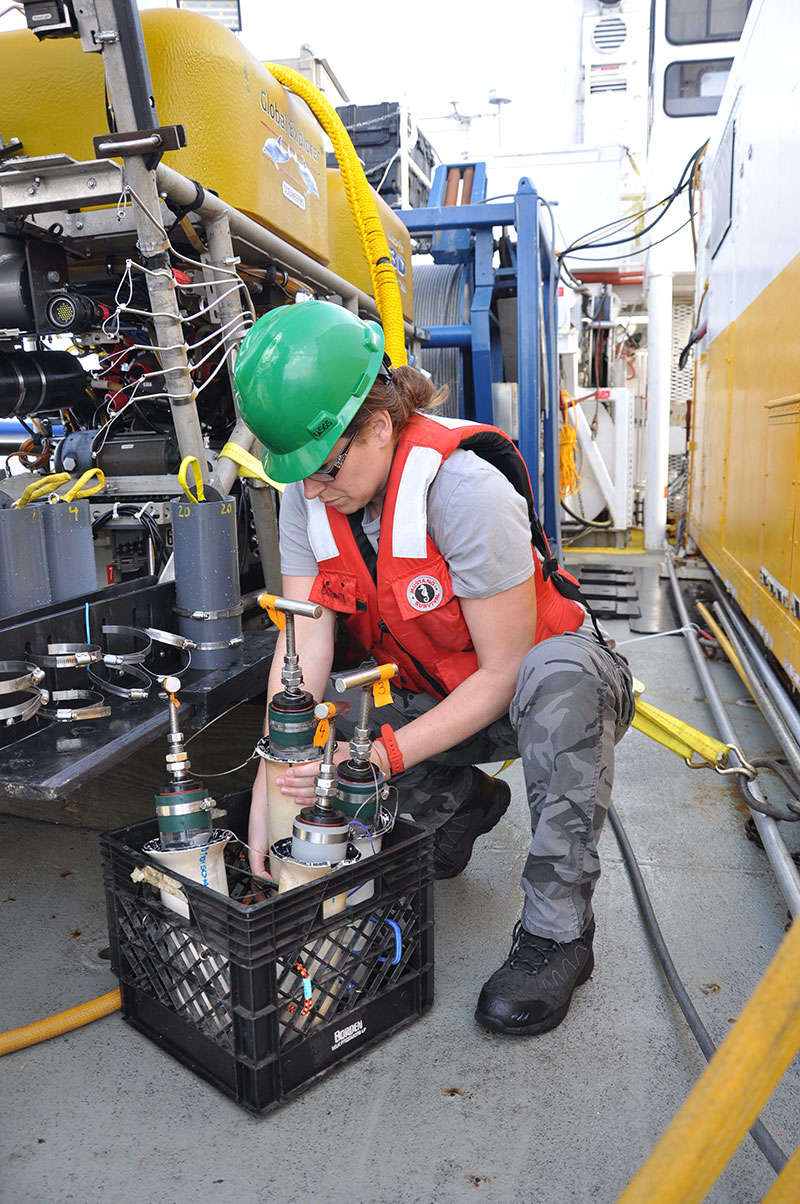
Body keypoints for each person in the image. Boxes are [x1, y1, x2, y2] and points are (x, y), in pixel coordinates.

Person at [233, 299, 634, 1036]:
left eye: (324, 468)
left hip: (534, 691)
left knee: (560, 680)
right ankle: (462, 803)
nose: (313, 490)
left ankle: (556, 935)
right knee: (319, 750)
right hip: (430, 693)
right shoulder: (309, 495)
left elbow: (506, 671)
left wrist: (382, 757)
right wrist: (270, 778)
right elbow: (304, 648)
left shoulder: (465, 492)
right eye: (300, 476)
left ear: (379, 426)